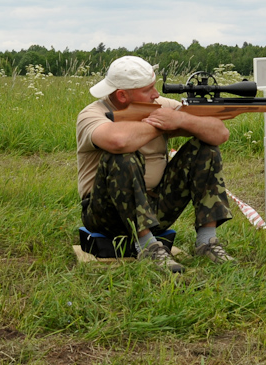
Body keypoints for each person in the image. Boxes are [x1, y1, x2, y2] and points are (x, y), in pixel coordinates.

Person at [76, 56, 235, 273]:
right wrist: (162, 124)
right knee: (122, 156)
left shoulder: (159, 107)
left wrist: (180, 120)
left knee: (205, 148)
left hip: (156, 210)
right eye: (148, 89)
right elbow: (118, 140)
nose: (156, 94)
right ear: (122, 95)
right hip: (105, 215)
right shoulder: (91, 114)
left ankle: (207, 242)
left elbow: (220, 134)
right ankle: (147, 247)